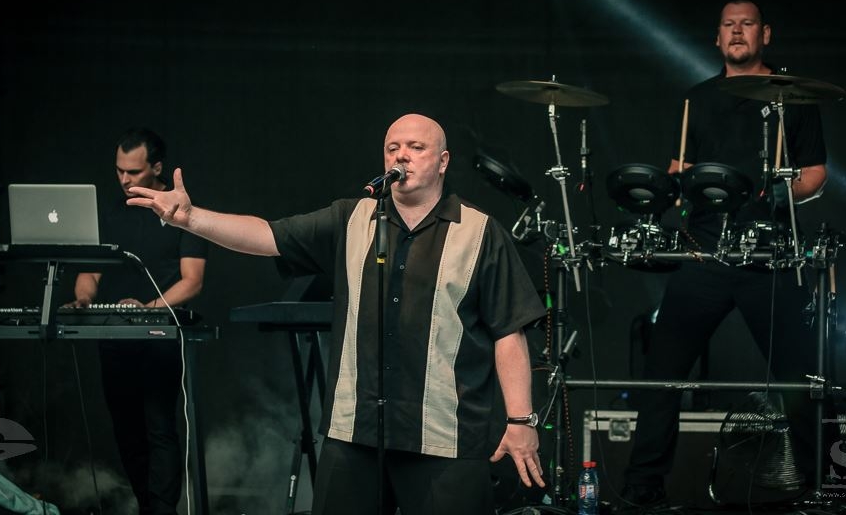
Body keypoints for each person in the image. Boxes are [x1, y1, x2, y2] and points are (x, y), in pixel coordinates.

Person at [127, 113, 547, 515]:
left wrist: (520, 420)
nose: (401, 155)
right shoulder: (352, 218)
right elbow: (267, 235)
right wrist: (192, 219)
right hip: (354, 434)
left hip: (444, 437)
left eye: (416, 147)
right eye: (392, 148)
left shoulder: (479, 232)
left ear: (442, 161)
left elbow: (508, 331)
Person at [619, 0, 831, 511]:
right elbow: (679, 168)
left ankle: (823, 486)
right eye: (729, 25)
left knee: (802, 377)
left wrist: (775, 195)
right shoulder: (698, 98)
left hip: (768, 252)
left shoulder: (793, 96)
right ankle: (643, 488)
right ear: (717, 38)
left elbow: (815, 174)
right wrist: (662, 192)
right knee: (663, 373)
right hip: (704, 252)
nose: (738, 31)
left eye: (747, 24)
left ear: (765, 34)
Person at [69, 127, 209, 515]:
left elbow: (192, 281)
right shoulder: (111, 213)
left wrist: (149, 307)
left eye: (133, 172)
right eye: (119, 171)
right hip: (114, 335)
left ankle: (162, 510)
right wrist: (84, 298)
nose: (124, 179)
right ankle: (149, 506)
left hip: (159, 336)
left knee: (159, 426)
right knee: (126, 429)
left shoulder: (181, 212)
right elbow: (90, 271)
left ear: (157, 168)